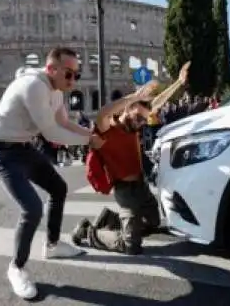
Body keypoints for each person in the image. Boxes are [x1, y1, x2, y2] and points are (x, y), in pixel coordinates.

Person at [0, 48, 105, 300]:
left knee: (58, 188)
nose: (73, 81)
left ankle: (52, 245)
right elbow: (51, 133)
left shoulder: (56, 90)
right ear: (51, 69)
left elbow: (64, 123)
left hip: (24, 147)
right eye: (69, 74)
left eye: (77, 75)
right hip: (0, 152)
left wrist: (90, 134)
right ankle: (16, 267)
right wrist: (88, 143)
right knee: (32, 208)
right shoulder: (33, 86)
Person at [72, 62, 190, 255]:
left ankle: (110, 220)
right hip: (124, 191)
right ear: (128, 108)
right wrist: (135, 96)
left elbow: (157, 102)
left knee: (152, 222)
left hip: (141, 186)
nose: (140, 123)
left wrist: (178, 82)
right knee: (131, 245)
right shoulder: (107, 128)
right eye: (138, 117)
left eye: (144, 120)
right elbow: (102, 113)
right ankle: (88, 231)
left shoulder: (135, 124)